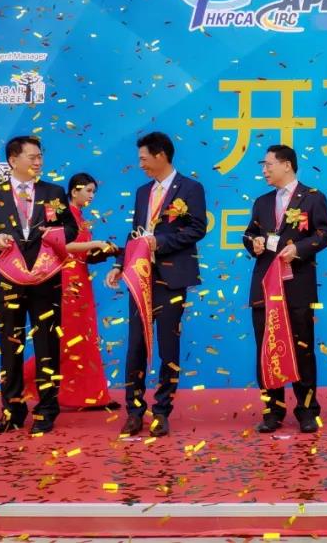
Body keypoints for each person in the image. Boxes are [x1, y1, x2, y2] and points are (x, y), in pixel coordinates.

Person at [0, 135, 78, 435]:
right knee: (11, 344)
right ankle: (12, 410)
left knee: (47, 343)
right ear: (13, 160)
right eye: (32, 156)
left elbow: (71, 229)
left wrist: (54, 235)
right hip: (9, 279)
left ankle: (46, 409)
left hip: (46, 277)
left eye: (40, 156)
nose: (38, 161)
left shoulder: (53, 192)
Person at [107, 131, 206, 438]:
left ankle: (162, 411)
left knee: (168, 346)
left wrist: (159, 243)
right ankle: (134, 411)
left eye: (143, 158)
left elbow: (197, 229)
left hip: (172, 279)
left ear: (160, 155)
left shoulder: (190, 188)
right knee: (135, 345)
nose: (141, 164)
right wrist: (119, 264)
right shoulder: (142, 192)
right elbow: (135, 233)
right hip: (140, 278)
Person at [242, 144, 327, 434]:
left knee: (302, 348)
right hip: (265, 285)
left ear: (287, 165)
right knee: (266, 349)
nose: (264, 170)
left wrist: (299, 249)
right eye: (263, 165)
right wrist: (254, 243)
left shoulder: (313, 197)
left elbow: (324, 234)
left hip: (298, 285)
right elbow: (249, 233)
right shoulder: (262, 202)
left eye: (268, 164)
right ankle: (273, 410)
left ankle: (307, 411)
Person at [22, 172, 118, 410]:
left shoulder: (81, 217)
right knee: (67, 336)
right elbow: (62, 244)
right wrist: (96, 243)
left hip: (81, 278)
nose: (91, 196)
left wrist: (102, 252)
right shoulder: (62, 213)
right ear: (74, 190)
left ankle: (89, 396)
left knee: (83, 336)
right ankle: (22, 380)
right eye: (88, 191)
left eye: (94, 192)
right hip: (65, 279)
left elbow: (82, 252)